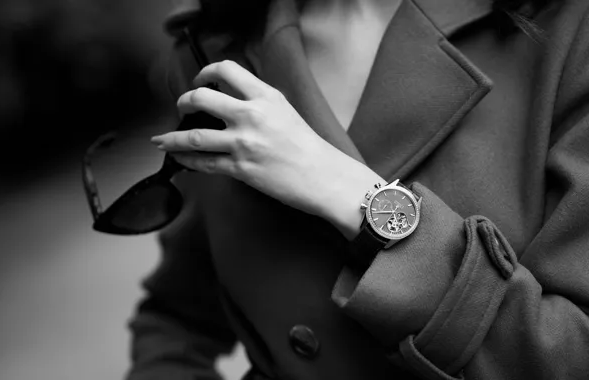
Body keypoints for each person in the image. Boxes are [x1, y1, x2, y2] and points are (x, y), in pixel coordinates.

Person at [125, 0, 589, 379]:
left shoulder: (566, 25)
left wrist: (351, 193)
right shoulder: (213, 49)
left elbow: (568, 356)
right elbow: (177, 317)